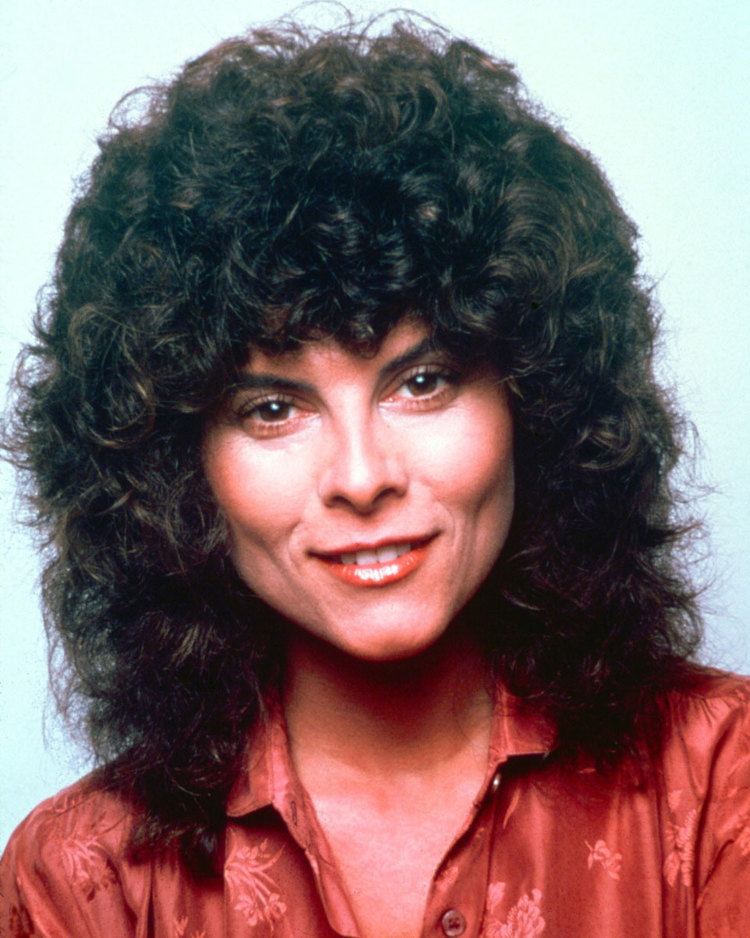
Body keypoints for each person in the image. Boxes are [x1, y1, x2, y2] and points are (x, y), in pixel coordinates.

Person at [1, 14, 748, 938]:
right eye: (273, 409)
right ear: (173, 467)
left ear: (539, 400)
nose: (362, 477)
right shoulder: (88, 884)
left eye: (422, 382)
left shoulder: (722, 788)